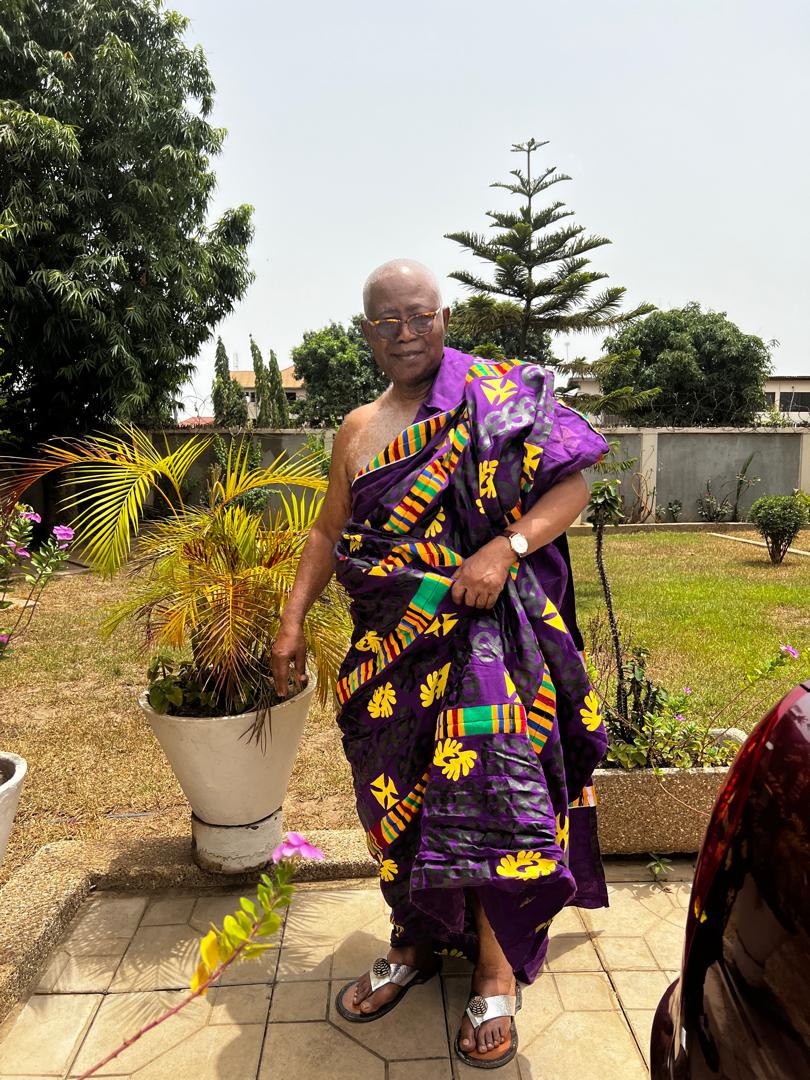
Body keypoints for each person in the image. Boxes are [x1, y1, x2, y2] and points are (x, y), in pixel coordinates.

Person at [272, 258, 610, 1069]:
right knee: (395, 797)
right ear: (367, 333)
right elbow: (327, 534)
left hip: (490, 641)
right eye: (387, 321)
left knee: (489, 796)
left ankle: (496, 973)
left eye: (419, 317)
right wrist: (291, 621)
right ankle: (417, 942)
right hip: (391, 652)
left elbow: (575, 486)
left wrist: (506, 544)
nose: (405, 333)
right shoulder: (359, 429)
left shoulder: (498, 396)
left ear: (445, 319)